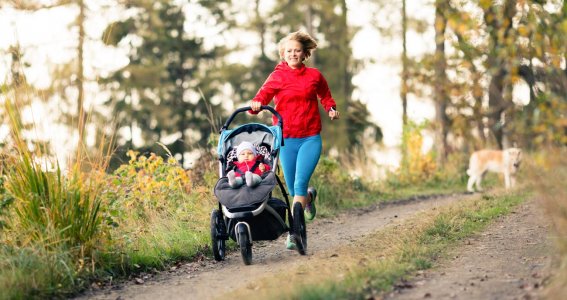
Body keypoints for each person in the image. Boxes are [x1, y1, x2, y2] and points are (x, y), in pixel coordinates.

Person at [249, 30, 340, 250]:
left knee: (299, 183)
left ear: (304, 53)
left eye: (297, 50)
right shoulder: (277, 76)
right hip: (286, 139)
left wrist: (331, 109)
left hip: (310, 137)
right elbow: (263, 95)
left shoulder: (314, 76)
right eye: (289, 51)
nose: (293, 54)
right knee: (293, 190)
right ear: (283, 53)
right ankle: (308, 197)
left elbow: (326, 96)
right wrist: (256, 104)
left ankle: (294, 232)